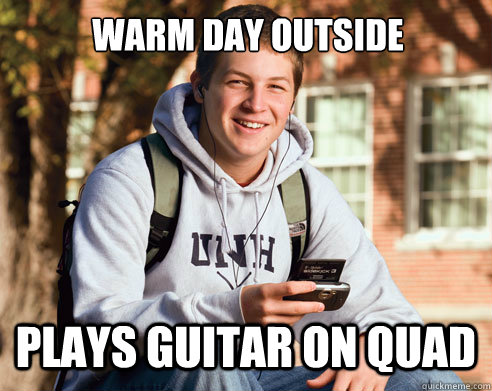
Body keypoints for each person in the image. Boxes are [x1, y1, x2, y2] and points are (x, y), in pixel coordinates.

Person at [58, 4, 463, 391]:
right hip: (135, 377)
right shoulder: (131, 177)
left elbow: (391, 314)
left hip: (261, 375)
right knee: (209, 367)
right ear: (200, 87)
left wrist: (374, 351)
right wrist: (234, 311)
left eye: (275, 88)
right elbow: (101, 329)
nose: (256, 104)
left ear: (291, 101)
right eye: (238, 82)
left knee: (424, 377)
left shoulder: (303, 191)